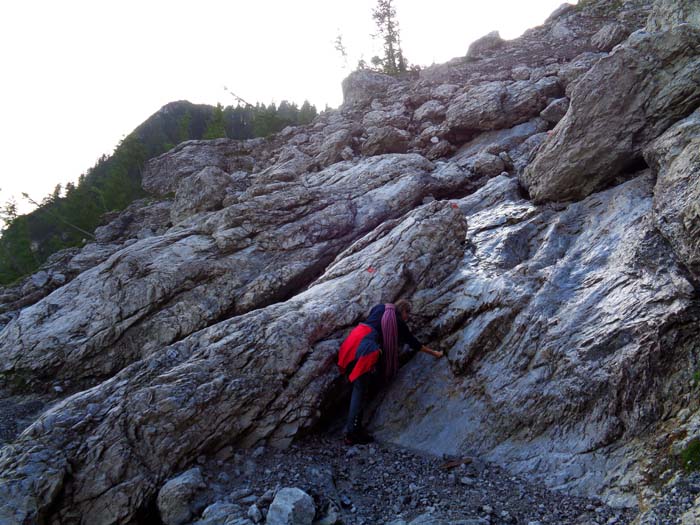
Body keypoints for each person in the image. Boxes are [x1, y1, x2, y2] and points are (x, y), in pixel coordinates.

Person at [337, 299, 443, 445]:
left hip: (353, 339)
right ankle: (352, 434)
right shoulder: (398, 322)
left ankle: (355, 429)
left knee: (360, 388)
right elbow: (414, 343)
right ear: (404, 311)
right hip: (365, 348)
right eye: (408, 315)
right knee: (360, 390)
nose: (407, 318)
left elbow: (373, 322)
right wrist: (435, 353)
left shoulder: (380, 307)